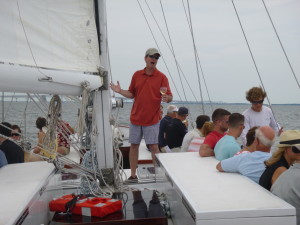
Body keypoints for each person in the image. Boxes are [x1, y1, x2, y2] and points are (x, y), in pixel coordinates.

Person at [110, 48, 173, 180]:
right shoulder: (137, 75)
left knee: (154, 147)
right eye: (152, 57)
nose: (154, 59)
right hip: (136, 118)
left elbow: (169, 96)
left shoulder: (162, 77)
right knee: (134, 146)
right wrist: (120, 91)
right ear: (145, 58)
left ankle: (157, 175)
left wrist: (168, 98)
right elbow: (132, 94)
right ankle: (133, 175)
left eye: (156, 57)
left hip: (152, 119)